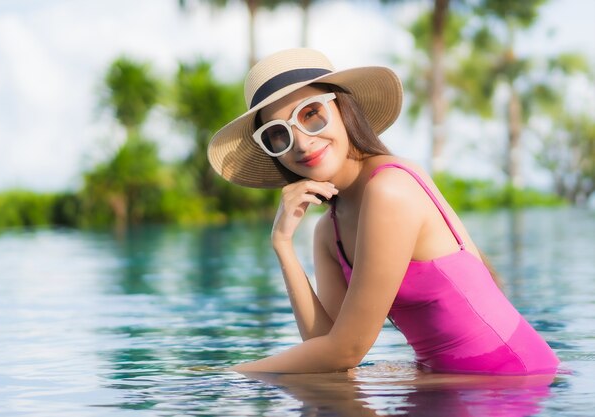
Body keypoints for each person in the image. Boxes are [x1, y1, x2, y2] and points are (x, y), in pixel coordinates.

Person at [207, 48, 560, 375]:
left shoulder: (389, 189)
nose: (300, 141)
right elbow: (326, 352)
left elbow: (346, 353)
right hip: (451, 381)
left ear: (343, 109)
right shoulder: (328, 231)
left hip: (510, 379)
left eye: (311, 114)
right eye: (278, 134)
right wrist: (283, 244)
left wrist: (229, 375)